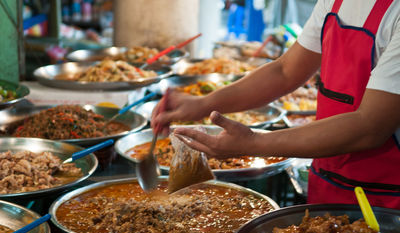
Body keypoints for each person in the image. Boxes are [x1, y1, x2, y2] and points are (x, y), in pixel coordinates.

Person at [152, 0, 400, 209]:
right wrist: (203, 104)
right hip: (326, 183)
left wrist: (253, 143)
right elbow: (285, 71)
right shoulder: (335, 2)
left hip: (386, 200)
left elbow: (370, 126)